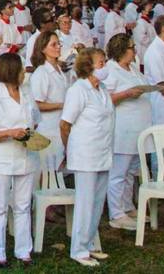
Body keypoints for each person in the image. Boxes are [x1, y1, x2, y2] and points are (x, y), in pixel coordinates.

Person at [0, 53, 40, 268]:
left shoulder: (26, 92)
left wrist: (29, 133)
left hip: (26, 156)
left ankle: (24, 250)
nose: (24, 72)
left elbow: (36, 119)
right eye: (21, 69)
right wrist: (10, 133)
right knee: (0, 206)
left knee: (23, 205)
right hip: (2, 158)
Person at [60, 48, 114, 267]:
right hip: (85, 153)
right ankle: (79, 249)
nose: (105, 66)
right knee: (85, 201)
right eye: (101, 63)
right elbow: (65, 124)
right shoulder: (78, 90)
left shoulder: (103, 89)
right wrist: (69, 149)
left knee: (98, 200)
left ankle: (90, 243)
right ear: (88, 66)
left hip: (102, 150)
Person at [103, 34, 153, 231]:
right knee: (118, 172)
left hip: (139, 127)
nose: (135, 50)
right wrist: (126, 94)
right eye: (132, 47)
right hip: (122, 128)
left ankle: (127, 205)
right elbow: (104, 99)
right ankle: (116, 213)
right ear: (122, 50)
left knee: (131, 170)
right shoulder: (110, 71)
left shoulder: (133, 69)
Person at [29, 31, 69, 168]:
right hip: (48, 129)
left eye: (59, 44)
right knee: (47, 171)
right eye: (53, 44)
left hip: (60, 126)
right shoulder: (41, 73)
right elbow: (36, 104)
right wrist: (61, 105)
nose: (58, 47)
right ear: (43, 49)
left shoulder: (59, 69)